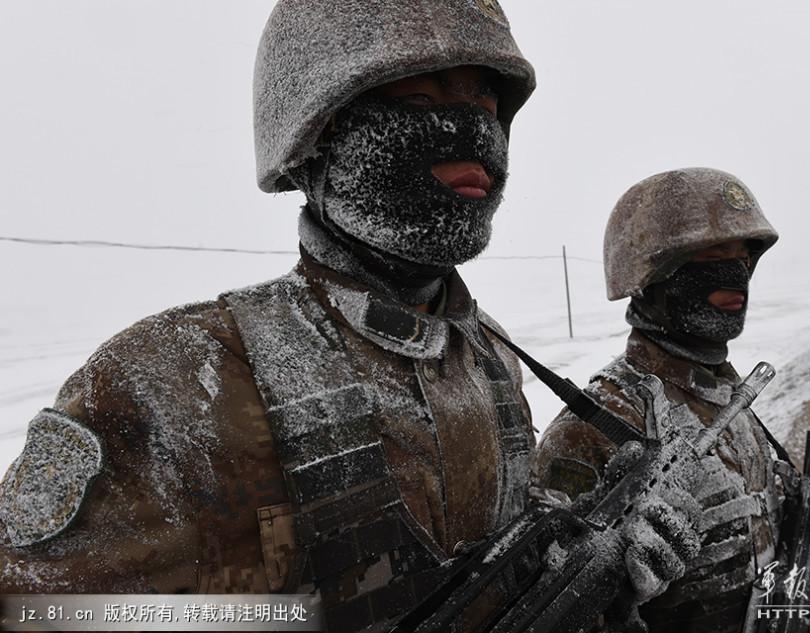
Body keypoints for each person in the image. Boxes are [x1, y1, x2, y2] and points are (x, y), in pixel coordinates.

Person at [0, 1, 538, 630]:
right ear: (316, 136)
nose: (473, 133)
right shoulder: (171, 378)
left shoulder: (489, 352)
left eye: (486, 106)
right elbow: (28, 611)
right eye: (419, 102)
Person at [534, 168, 810, 633]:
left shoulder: (730, 400)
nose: (737, 271)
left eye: (743, 255)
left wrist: (796, 522)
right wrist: (617, 583)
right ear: (652, 272)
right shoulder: (595, 426)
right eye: (714, 252)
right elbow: (550, 611)